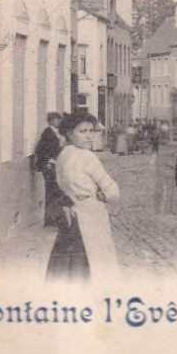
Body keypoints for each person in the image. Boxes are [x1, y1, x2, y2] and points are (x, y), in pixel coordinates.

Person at [46, 111, 120, 281]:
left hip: (70, 214)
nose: (89, 136)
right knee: (94, 262)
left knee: (68, 263)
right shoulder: (87, 157)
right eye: (82, 131)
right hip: (90, 215)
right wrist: (104, 196)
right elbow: (113, 192)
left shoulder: (63, 155)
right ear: (69, 133)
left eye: (91, 131)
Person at [34, 112, 64, 227]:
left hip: (53, 165)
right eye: (57, 120)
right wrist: (47, 161)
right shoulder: (48, 133)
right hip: (49, 167)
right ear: (51, 121)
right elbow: (40, 149)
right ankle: (51, 220)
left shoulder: (54, 133)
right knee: (52, 192)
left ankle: (52, 219)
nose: (59, 122)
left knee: (54, 192)